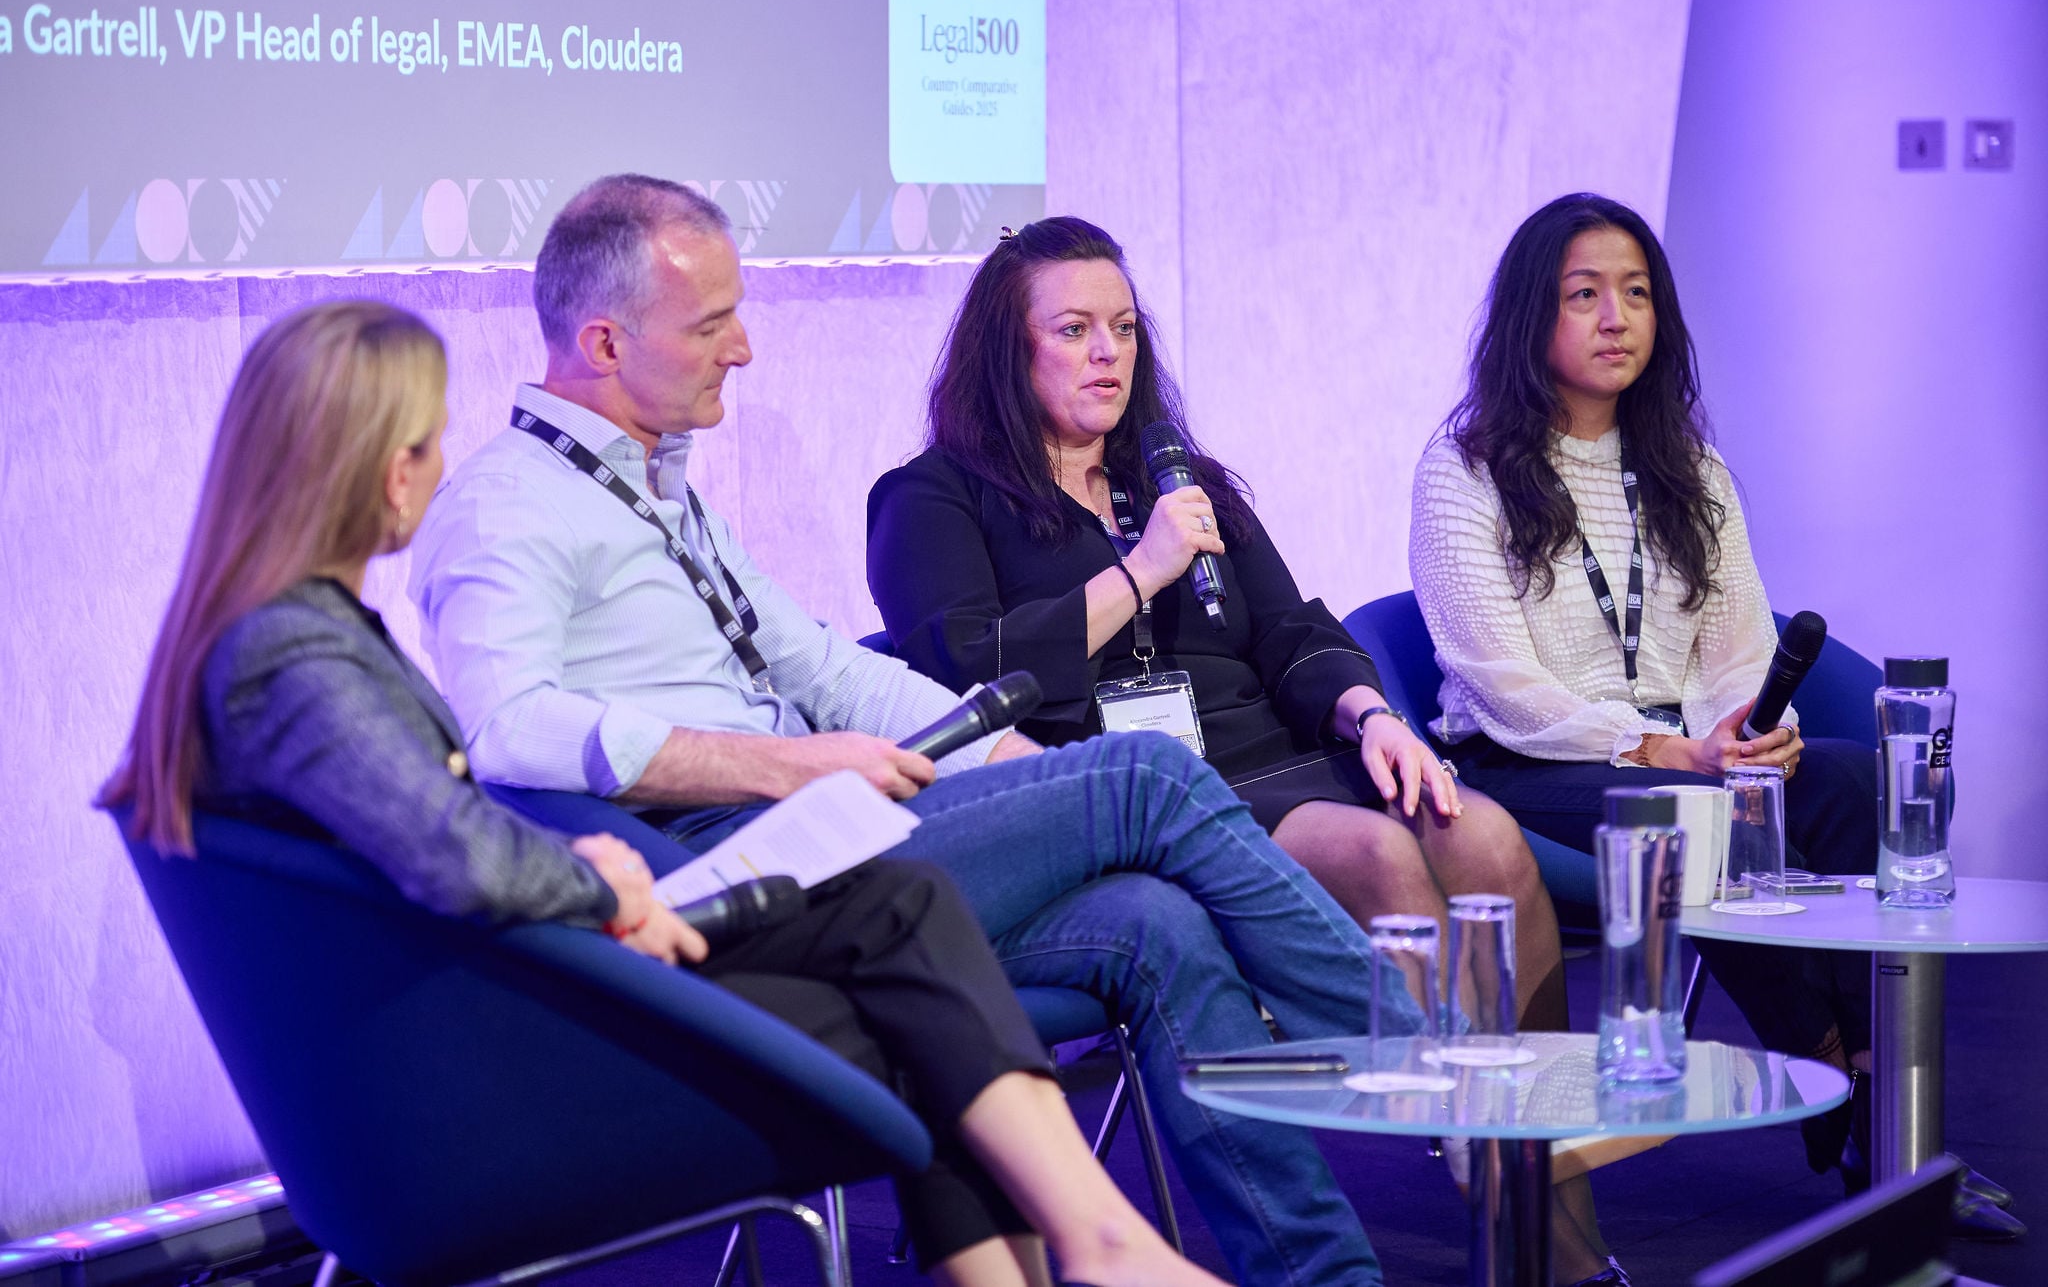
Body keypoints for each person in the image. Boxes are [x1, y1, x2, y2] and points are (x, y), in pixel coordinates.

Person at [408, 174, 1436, 1286]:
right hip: (714, 870)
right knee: (1147, 776)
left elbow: (826, 669)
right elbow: (506, 727)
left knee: (1153, 920)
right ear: (605, 342)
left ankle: (1327, 1277)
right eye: (711, 325)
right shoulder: (506, 502)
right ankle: (1436, 1070)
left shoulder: (662, 490)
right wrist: (782, 765)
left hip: (825, 842)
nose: (743, 348)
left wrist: (1020, 772)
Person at [98, 300, 1234, 1287]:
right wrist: (601, 883)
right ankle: (1096, 1241)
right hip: (485, 1062)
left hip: (497, 1000)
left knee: (900, 922)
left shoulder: (287, 637)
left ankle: (1087, 1247)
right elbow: (451, 850)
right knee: (914, 972)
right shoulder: (293, 655)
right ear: (371, 463)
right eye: (422, 443)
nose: (438, 470)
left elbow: (428, 832)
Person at [865, 216, 1624, 1287]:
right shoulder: (930, 498)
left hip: (1281, 752)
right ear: (1005, 348)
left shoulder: (1176, 476)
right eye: (1073, 330)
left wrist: (1370, 714)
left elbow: (1289, 628)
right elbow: (968, 668)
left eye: (1124, 328)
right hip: (1143, 792)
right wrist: (1139, 570)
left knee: (1485, 837)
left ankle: (1556, 1207)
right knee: (1376, 853)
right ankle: (1490, 1172)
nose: (1107, 353)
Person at [1408, 191, 1891, 1194]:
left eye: (1635, 293)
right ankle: (1831, 1071)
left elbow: (1738, 641)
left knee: (1846, 781)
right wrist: (1660, 747)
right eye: (1583, 294)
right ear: (1531, 315)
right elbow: (1497, 680)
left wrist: (1755, 731)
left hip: (1689, 751)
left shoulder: (1692, 469)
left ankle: (1875, 1086)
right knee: (1699, 812)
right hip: (1534, 757)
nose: (1615, 318)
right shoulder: (1463, 468)